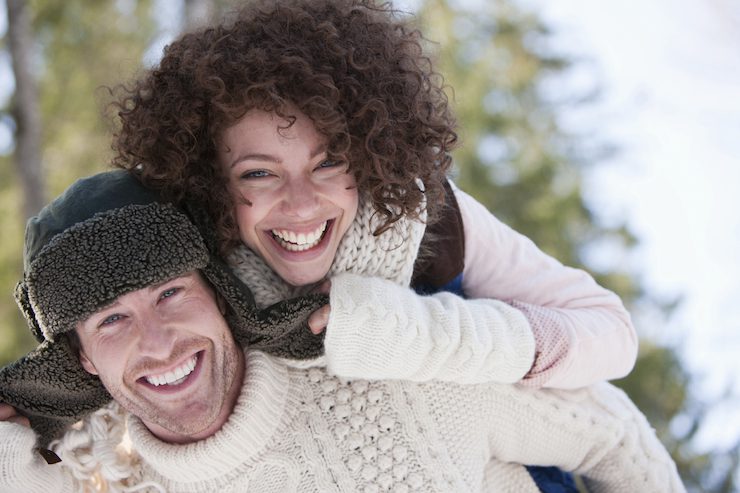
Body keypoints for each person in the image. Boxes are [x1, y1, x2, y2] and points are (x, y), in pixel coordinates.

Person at [0, 170, 684, 492]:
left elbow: (613, 432)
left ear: (221, 295)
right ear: (84, 359)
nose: (158, 340)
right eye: (112, 320)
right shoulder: (113, 482)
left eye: (171, 292)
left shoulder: (389, 371)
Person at [111, 0, 637, 391]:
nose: (300, 204)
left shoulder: (431, 217)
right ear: (211, 179)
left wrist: (413, 333)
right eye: (258, 175)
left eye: (329, 162)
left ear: (368, 154)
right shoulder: (187, 277)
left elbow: (612, 336)